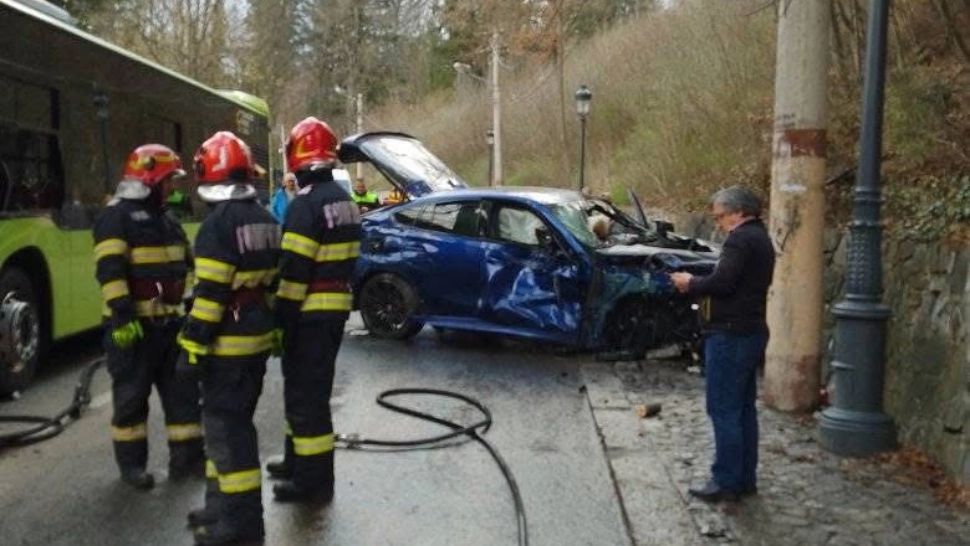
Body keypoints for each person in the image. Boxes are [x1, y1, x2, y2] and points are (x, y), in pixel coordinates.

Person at [177, 131, 281, 545]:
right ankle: (218, 508)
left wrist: (192, 345)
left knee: (228, 434)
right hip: (255, 342)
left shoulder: (216, 226)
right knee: (225, 430)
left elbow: (211, 295)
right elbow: (272, 284)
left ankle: (240, 526)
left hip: (225, 346)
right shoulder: (267, 219)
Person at [92, 144, 202, 490]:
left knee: (182, 396)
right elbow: (110, 271)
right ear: (151, 179)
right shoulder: (116, 217)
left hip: (170, 327)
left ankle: (187, 461)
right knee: (130, 401)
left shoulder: (168, 220)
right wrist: (123, 317)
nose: (173, 188)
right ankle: (132, 468)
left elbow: (190, 264)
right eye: (169, 181)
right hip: (134, 328)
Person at [267, 117, 360, 503]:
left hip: (307, 313)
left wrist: (280, 321)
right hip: (335, 310)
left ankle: (312, 482)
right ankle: (294, 460)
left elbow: (293, 272)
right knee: (306, 391)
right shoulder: (345, 202)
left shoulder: (305, 206)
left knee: (308, 398)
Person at [669, 185, 775, 503]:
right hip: (750, 329)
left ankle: (726, 480)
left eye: (720, 216)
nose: (717, 223)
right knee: (743, 408)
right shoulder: (761, 238)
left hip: (731, 334)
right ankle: (744, 478)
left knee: (724, 408)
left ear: (739, 212)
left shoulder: (741, 239)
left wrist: (691, 283)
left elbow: (724, 282)